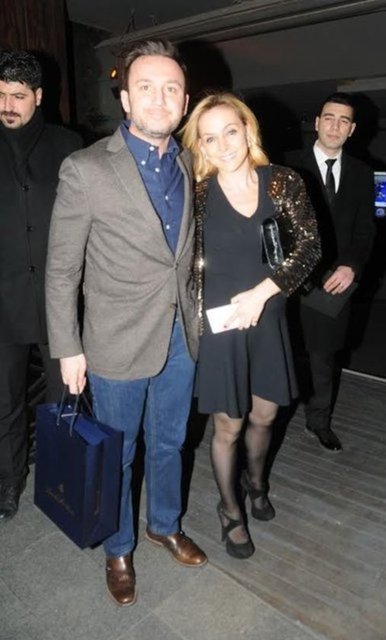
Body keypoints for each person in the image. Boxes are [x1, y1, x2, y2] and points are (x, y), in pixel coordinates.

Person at [45, 40, 207, 607]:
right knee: (118, 452)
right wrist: (67, 347)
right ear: (125, 99)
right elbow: (62, 269)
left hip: (181, 336)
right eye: (146, 87)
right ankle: (118, 547)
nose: (159, 99)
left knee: (171, 441)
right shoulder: (86, 168)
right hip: (114, 342)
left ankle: (163, 524)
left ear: (184, 101)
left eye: (171, 89)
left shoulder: (190, 165)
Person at [181, 93, 320, 559]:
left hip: (268, 318)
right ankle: (230, 510)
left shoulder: (282, 182)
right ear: (200, 146)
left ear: (248, 130)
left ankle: (256, 482)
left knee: (265, 416)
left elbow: (309, 247)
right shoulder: (197, 195)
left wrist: (263, 292)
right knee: (228, 426)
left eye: (230, 132)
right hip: (221, 328)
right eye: (209, 138)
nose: (222, 145)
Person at [0, 50, 81, 522]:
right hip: (3, 299)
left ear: (38, 96)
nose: (7, 105)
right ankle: (8, 481)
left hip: (58, 301)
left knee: (62, 398)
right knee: (4, 402)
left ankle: (59, 480)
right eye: (0, 96)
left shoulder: (68, 145)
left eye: (17, 96)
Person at [291, 93, 375, 452]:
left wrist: (351, 266)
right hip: (287, 281)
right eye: (329, 118)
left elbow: (365, 231)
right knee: (281, 352)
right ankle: (268, 418)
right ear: (317, 122)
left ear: (352, 129)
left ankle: (319, 421)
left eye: (343, 121)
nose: (335, 126)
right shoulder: (286, 164)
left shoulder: (362, 174)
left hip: (333, 284)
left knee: (323, 357)